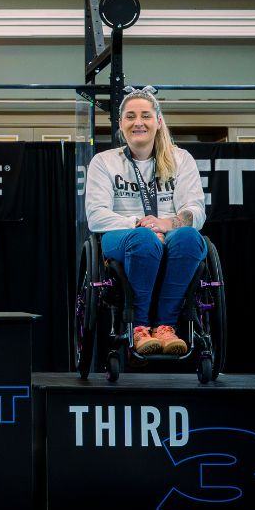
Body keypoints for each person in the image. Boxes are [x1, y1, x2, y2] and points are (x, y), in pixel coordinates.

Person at [85, 85, 206, 356]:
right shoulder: (103, 162)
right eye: (130, 116)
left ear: (158, 121)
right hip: (124, 235)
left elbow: (195, 211)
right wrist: (143, 224)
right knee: (143, 240)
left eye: (145, 115)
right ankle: (138, 328)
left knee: (190, 237)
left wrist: (169, 224)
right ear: (120, 123)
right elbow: (96, 216)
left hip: (171, 233)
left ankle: (166, 327)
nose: (138, 122)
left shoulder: (180, 158)